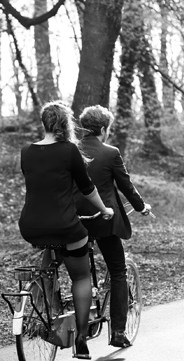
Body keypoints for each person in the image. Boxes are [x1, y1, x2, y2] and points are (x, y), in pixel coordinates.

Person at [18, 101, 114, 359]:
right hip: (65, 225)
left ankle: (45, 310)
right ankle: (81, 340)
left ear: (44, 123)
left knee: (49, 259)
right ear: (65, 123)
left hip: (31, 225)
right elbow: (86, 187)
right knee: (81, 276)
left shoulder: (26, 151)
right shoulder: (69, 150)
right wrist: (104, 210)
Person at [75, 105, 152, 348]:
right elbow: (126, 186)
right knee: (118, 271)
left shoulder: (71, 151)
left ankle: (81, 324)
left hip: (75, 221)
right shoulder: (110, 153)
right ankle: (118, 332)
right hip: (104, 219)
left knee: (80, 274)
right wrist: (141, 207)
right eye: (109, 128)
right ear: (102, 129)